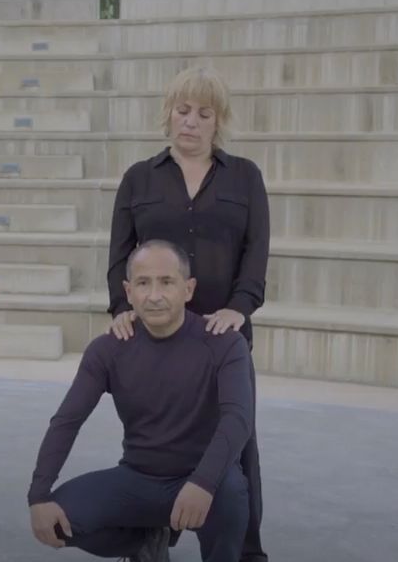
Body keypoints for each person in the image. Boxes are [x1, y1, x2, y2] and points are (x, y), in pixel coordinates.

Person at [106, 65, 270, 562]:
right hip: (157, 334)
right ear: (168, 114)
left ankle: (244, 550)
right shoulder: (138, 178)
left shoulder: (245, 175)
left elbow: (256, 252)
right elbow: (119, 256)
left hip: (223, 336)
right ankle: (151, 535)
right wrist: (120, 309)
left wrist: (239, 310)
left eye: (204, 113)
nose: (192, 122)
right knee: (154, 442)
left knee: (236, 443)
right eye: (183, 110)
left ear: (218, 121)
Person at [28, 240, 253, 562]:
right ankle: (144, 541)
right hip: (139, 476)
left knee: (231, 492)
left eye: (167, 282)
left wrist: (202, 482)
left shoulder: (224, 343)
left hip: (204, 477)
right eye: (143, 283)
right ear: (128, 291)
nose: (154, 295)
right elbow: (67, 421)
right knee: (56, 520)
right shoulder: (108, 349)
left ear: (188, 289)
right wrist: (37, 495)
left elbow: (238, 419)